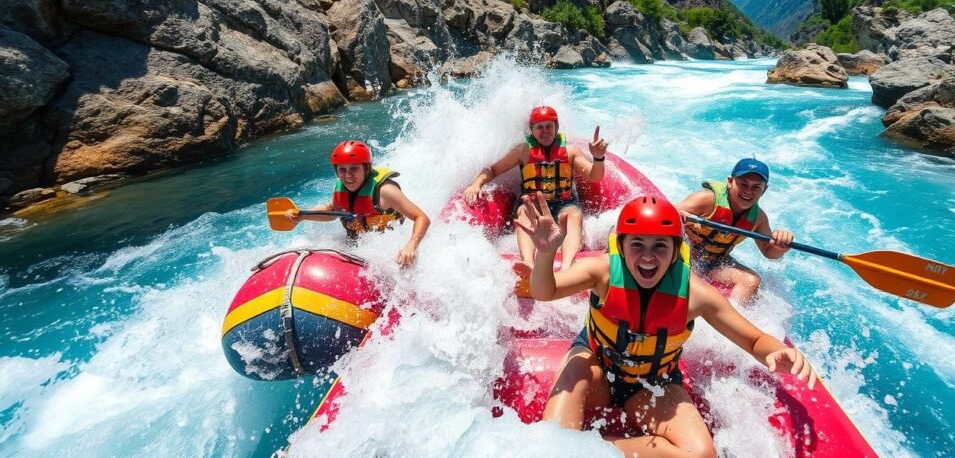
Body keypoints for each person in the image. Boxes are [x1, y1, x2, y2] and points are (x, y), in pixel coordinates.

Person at [520, 193, 817, 458]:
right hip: (596, 367)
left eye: (660, 246)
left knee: (700, 454)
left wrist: (775, 351)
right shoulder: (603, 271)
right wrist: (546, 254)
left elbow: (753, 341)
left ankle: (594, 447)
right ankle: (561, 448)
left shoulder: (695, 295)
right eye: (637, 244)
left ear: (675, 250)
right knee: (575, 373)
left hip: (650, 384)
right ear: (621, 247)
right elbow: (545, 291)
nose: (648, 256)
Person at [463, 106, 607, 268]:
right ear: (532, 130)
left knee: (573, 214)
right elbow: (492, 170)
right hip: (533, 204)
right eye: (539, 127)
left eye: (549, 126)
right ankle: (528, 264)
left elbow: (594, 176)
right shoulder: (523, 151)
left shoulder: (570, 151)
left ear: (556, 127)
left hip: (564, 203)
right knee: (524, 211)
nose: (545, 131)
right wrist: (476, 184)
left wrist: (598, 158)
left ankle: (567, 266)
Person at [286, 140, 429, 267]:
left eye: (354, 168)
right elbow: (332, 210)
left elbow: (421, 217)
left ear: (366, 168)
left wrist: (411, 245)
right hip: (357, 245)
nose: (347, 176)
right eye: (342, 170)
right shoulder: (341, 188)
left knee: (403, 263)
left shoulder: (385, 191)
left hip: (390, 246)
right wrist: (303, 215)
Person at [674, 158, 794, 304]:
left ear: (764, 190)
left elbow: (769, 252)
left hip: (714, 263)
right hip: (682, 253)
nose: (748, 191)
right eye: (743, 183)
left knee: (751, 281)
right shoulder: (706, 200)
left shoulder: (758, 218)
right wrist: (679, 215)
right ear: (730, 182)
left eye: (756, 187)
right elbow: (670, 210)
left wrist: (780, 245)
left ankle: (735, 317)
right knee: (691, 276)